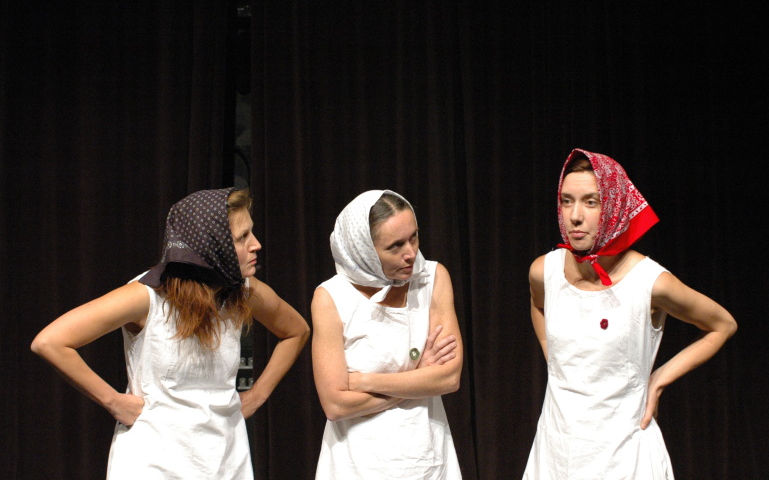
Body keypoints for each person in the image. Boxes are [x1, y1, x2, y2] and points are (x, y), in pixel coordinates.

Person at [31, 188, 310, 479]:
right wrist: (113, 402)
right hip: (155, 459)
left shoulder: (243, 291)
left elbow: (296, 331)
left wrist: (258, 395)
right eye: (242, 237)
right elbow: (50, 342)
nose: (257, 245)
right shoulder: (147, 296)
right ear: (211, 245)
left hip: (225, 458)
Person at [523, 149, 737, 479]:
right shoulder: (544, 271)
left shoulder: (649, 282)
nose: (575, 216)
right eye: (567, 201)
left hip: (624, 457)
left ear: (614, 206)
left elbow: (722, 325)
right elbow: (538, 305)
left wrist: (658, 380)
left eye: (591, 202)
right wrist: (554, 357)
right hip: (557, 452)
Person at [312, 190, 463, 479]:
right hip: (357, 462)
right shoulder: (331, 297)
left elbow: (448, 378)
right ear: (364, 250)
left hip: (424, 454)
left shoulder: (433, 278)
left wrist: (362, 381)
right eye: (395, 246)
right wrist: (417, 378)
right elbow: (335, 405)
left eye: (413, 237)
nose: (411, 253)